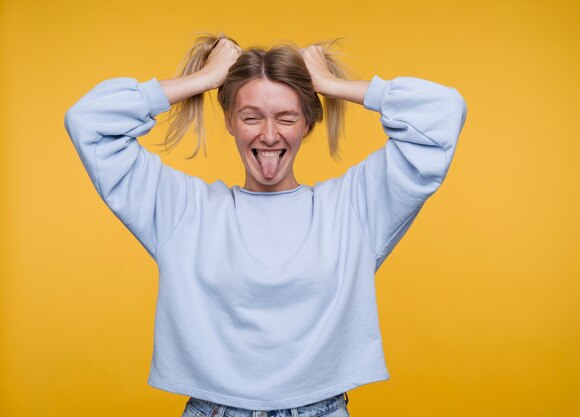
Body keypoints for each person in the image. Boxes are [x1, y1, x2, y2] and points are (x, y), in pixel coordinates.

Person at [64, 33, 467, 417]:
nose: (269, 134)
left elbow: (443, 112)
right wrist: (203, 79)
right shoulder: (183, 210)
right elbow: (88, 121)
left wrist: (330, 84)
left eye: (287, 118)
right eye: (251, 117)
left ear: (308, 123)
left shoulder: (354, 206)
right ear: (230, 122)